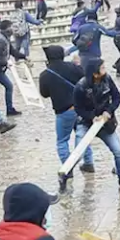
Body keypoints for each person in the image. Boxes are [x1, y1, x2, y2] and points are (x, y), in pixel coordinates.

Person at [39, 45, 93, 191]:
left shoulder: (45, 74)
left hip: (63, 111)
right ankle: (88, 163)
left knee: (62, 141)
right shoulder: (73, 67)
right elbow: (86, 80)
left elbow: (44, 94)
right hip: (80, 108)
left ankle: (68, 169)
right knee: (84, 136)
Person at [73, 58, 120, 189]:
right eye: (103, 68)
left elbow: (117, 97)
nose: (106, 70)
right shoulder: (80, 87)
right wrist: (92, 117)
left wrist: (108, 112)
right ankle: (65, 177)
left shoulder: (107, 80)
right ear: (95, 73)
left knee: (119, 152)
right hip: (86, 123)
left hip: (106, 123)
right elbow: (78, 108)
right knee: (77, 153)